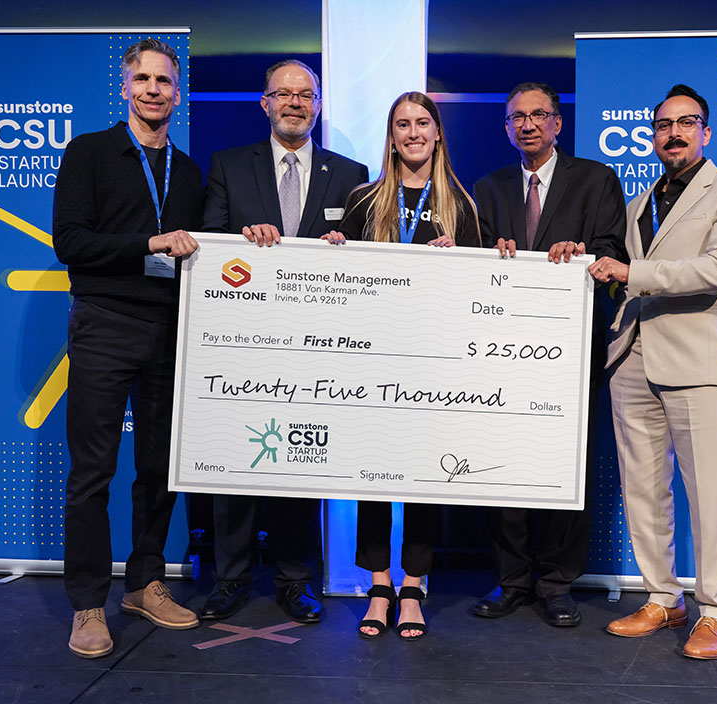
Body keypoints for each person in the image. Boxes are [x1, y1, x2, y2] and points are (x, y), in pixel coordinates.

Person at [588, 84, 717, 660]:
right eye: (663, 125)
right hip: (633, 358)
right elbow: (619, 272)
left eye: (686, 123)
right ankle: (663, 597)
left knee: (710, 494)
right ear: (652, 135)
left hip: (698, 363)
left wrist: (631, 271)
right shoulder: (638, 202)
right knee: (643, 490)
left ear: (705, 132)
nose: (674, 133)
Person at [200, 59, 369, 624]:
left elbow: (370, 258)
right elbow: (210, 243)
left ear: (318, 104)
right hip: (244, 345)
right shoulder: (227, 166)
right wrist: (241, 241)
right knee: (236, 464)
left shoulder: (352, 174)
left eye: (306, 94)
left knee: (302, 462)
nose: (295, 103)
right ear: (265, 103)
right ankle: (230, 579)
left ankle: (297, 581)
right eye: (283, 94)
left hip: (318, 348)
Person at [52, 38, 203, 659]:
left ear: (177, 89)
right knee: (93, 469)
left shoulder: (189, 170)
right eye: (141, 79)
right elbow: (71, 243)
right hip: (105, 324)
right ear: (124, 87)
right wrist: (148, 242)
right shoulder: (89, 152)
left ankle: (144, 582)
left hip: (172, 329)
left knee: (160, 467)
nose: (152, 90)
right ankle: (88, 603)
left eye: (163, 81)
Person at [324, 91, 481, 640]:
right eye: (402, 125)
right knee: (372, 475)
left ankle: (414, 585)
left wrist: (457, 263)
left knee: (422, 479)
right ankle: (379, 583)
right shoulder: (365, 200)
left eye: (422, 123)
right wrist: (333, 251)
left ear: (438, 132)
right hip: (371, 359)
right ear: (390, 136)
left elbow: (483, 293)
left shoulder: (463, 203)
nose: (413, 133)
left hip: (436, 362)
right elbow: (341, 284)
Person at [471, 82, 626, 627]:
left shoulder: (596, 180)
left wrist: (584, 252)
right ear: (507, 127)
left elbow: (614, 252)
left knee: (567, 470)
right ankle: (511, 579)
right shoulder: (486, 189)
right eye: (517, 117)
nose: (528, 125)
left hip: (570, 354)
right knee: (503, 470)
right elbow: (474, 262)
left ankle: (558, 582)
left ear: (558, 123)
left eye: (539, 115)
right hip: (500, 353)